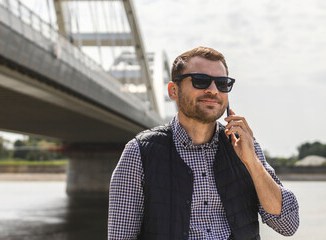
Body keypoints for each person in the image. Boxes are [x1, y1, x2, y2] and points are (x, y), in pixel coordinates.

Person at [108, 46, 299, 240]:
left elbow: (287, 225)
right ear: (174, 90)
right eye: (201, 81)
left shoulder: (245, 146)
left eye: (222, 83)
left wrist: (252, 163)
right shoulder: (139, 153)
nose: (213, 90)